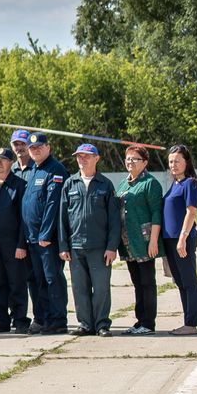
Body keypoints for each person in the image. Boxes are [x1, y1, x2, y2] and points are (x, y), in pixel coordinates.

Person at [58, 144, 121, 336]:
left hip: (99, 247)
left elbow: (114, 219)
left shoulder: (105, 184)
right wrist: (63, 245)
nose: (82, 160)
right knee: (80, 288)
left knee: (101, 288)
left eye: (86, 156)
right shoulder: (70, 184)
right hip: (76, 246)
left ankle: (102, 324)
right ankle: (85, 323)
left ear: (96, 159)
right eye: (79, 157)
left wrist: (112, 247)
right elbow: (62, 217)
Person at [21, 133, 70, 335]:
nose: (36, 151)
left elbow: (53, 205)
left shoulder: (55, 170)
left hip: (46, 239)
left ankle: (58, 320)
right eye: (32, 149)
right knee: (37, 280)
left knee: (52, 279)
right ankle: (43, 318)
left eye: (39, 147)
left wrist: (46, 234)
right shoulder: (33, 169)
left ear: (48, 148)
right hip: (32, 237)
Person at [116, 149, 163, 336]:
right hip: (128, 244)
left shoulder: (150, 184)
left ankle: (148, 323)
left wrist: (153, 241)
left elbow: (156, 213)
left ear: (144, 162)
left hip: (143, 242)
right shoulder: (123, 184)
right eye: (128, 159)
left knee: (147, 283)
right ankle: (139, 321)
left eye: (135, 159)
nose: (130, 162)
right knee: (137, 284)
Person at [0, 150, 31, 334]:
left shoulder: (20, 185)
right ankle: (1, 320)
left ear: (11, 162)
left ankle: (20, 320)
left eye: (3, 160)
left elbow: (24, 218)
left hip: (13, 245)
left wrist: (22, 244)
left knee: (17, 283)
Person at [162, 144, 197, 335]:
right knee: (180, 281)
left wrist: (183, 238)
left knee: (189, 281)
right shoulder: (175, 184)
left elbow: (191, 212)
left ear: (186, 162)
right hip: (169, 240)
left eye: (177, 161)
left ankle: (191, 323)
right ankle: (187, 320)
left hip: (182, 240)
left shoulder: (190, 184)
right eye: (171, 161)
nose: (173, 165)